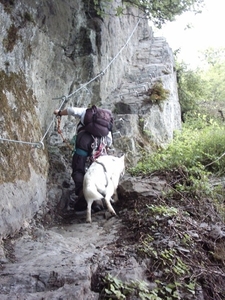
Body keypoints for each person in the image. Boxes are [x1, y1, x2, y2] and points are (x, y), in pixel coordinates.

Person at [53, 106, 113, 211]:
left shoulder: (86, 112)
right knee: (97, 171)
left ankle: (83, 195)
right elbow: (109, 141)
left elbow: (72, 110)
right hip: (99, 145)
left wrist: (60, 113)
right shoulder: (106, 123)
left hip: (83, 142)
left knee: (78, 168)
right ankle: (97, 199)